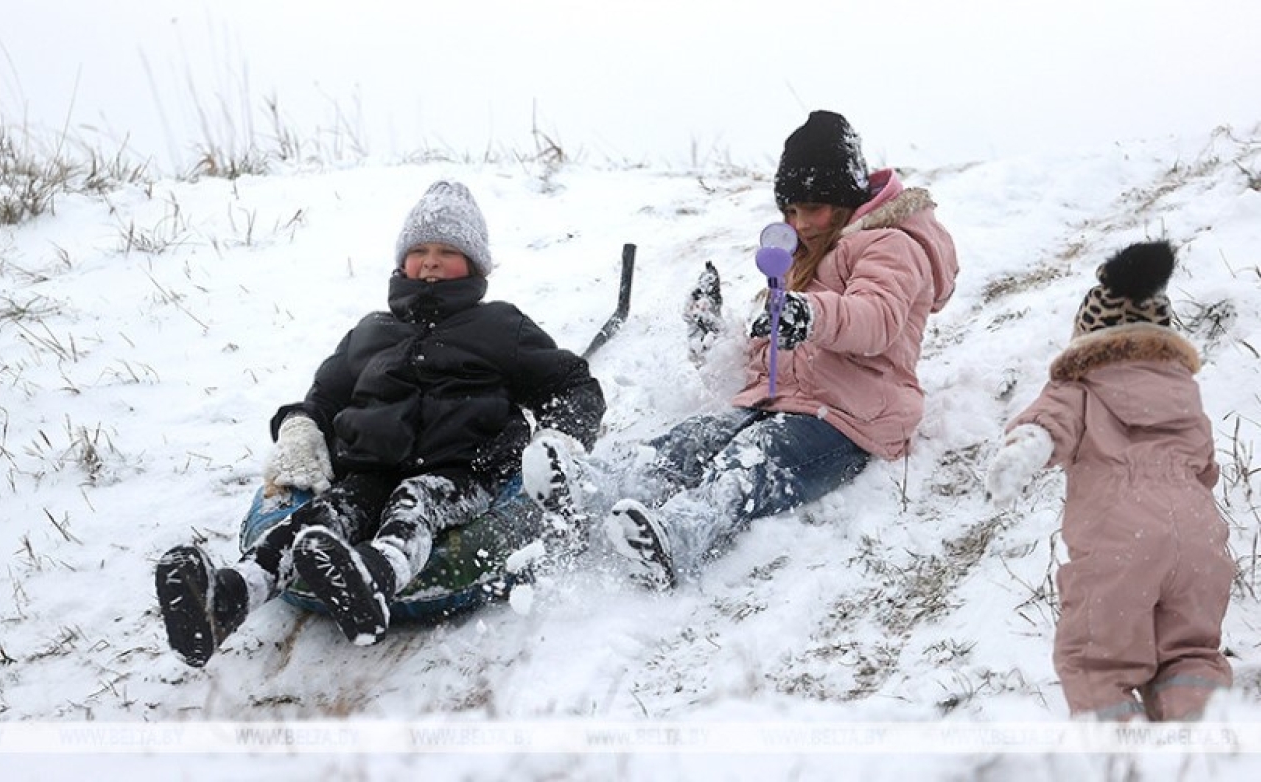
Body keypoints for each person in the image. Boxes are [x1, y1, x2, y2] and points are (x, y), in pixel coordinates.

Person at [155, 180, 606, 665]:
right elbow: (324, 396)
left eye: (447, 251)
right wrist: (301, 427)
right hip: (367, 467)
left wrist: (560, 437)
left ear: (474, 265)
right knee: (321, 516)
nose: (430, 261)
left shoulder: (501, 327)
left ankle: (375, 579)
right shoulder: (371, 331)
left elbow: (573, 384)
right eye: (419, 250)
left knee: (414, 505)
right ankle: (225, 598)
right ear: (401, 262)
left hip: (462, 470)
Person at [525, 110, 958, 589]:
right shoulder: (803, 255)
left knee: (752, 460)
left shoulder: (891, 245)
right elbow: (766, 354)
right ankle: (596, 485)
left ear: (843, 200)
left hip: (848, 419)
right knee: (696, 438)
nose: (800, 224)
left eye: (810, 209)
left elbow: (875, 318)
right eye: (789, 212)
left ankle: (681, 534)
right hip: (777, 402)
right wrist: (710, 336)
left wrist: (809, 315)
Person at [986, 241, 1232, 721]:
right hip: (1201, 542)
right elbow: (1207, 468)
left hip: (1123, 546)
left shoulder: (1077, 386)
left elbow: (1046, 428)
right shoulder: (1183, 393)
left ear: (1086, 337)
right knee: (1192, 656)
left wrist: (1021, 453)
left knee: (1098, 665)